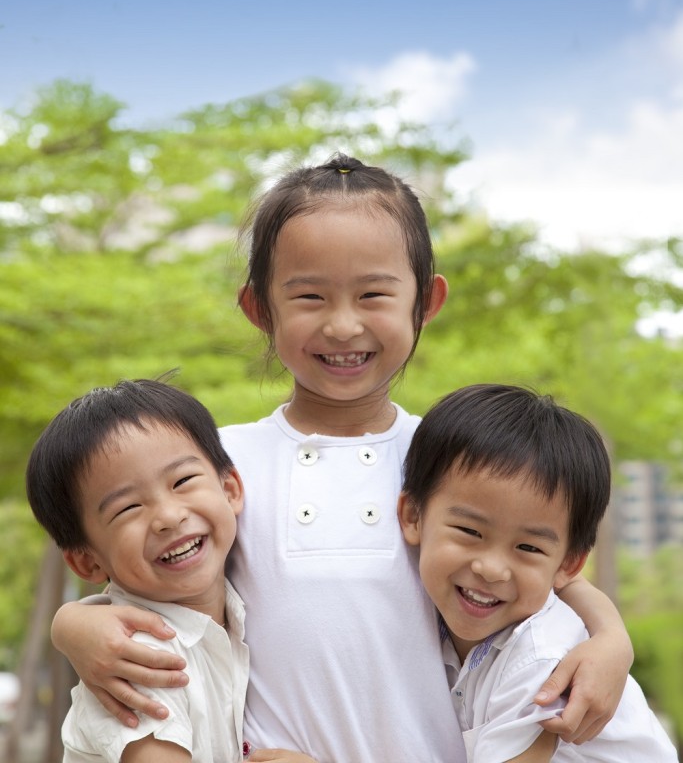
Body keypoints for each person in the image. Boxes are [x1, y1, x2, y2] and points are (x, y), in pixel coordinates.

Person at [52, 156, 634, 763]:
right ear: (259, 308)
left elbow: (541, 571)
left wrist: (612, 639)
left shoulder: (455, 462)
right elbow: (150, 580)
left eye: (374, 294)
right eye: (309, 296)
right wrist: (72, 625)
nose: (342, 324)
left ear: (425, 301)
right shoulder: (216, 463)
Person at [27, 378, 315, 763]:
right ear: (87, 561)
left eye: (182, 481)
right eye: (128, 508)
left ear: (230, 489)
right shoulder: (138, 658)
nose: (167, 516)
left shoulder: (238, 612)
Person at [398, 383, 678, 762]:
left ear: (567, 565)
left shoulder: (542, 659)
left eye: (528, 548)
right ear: (413, 516)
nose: (492, 569)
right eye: (470, 532)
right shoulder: (429, 616)